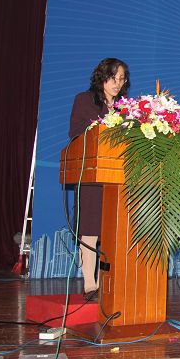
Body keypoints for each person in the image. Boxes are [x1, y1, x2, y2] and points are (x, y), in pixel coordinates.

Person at [68, 58, 130, 300]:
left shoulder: (127, 108)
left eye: (121, 79)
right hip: (92, 174)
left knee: (115, 232)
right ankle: (90, 284)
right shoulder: (84, 100)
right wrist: (100, 127)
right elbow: (75, 133)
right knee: (90, 230)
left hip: (117, 176)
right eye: (113, 78)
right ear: (101, 77)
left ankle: (113, 282)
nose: (117, 83)